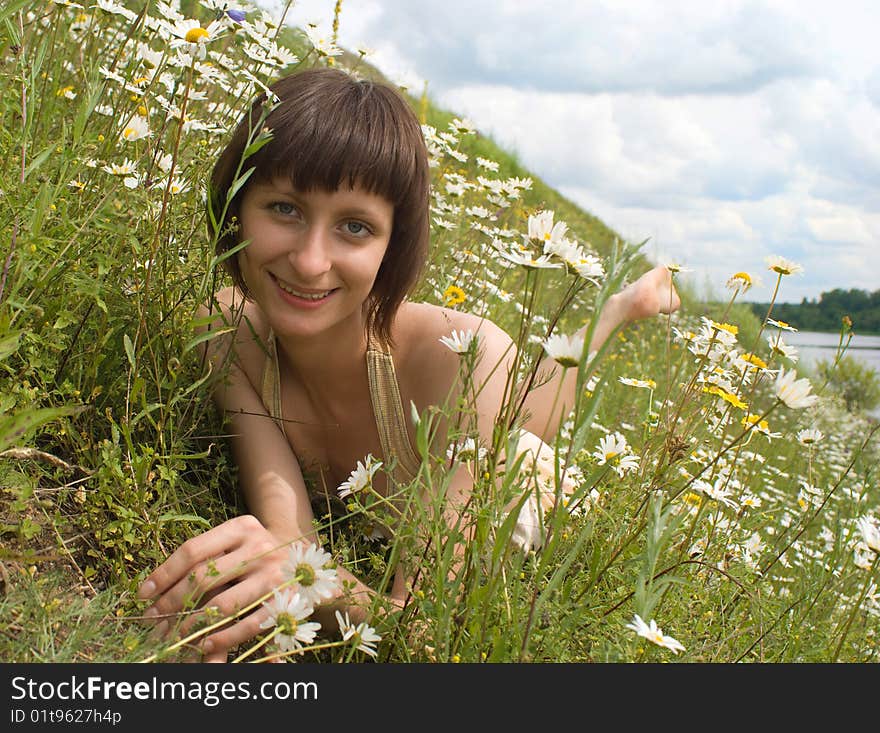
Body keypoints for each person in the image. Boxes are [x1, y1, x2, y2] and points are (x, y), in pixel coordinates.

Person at [137, 67, 680, 662]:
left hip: (492, 422)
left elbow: (421, 623)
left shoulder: (463, 364)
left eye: (354, 226)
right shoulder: (226, 329)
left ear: (392, 247)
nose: (311, 261)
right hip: (455, 405)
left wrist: (306, 582)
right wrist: (285, 573)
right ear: (238, 207)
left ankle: (621, 308)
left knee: (541, 392)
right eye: (285, 209)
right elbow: (292, 539)